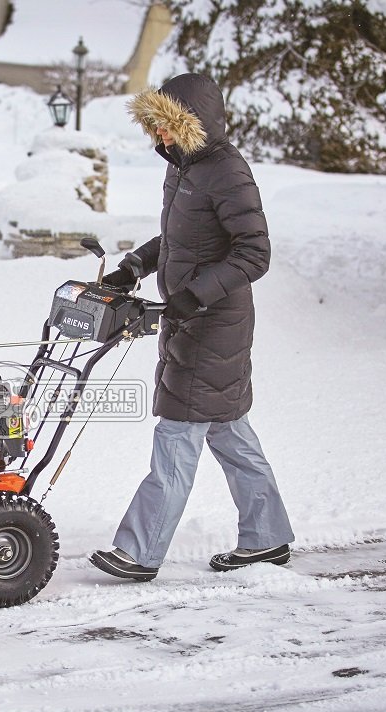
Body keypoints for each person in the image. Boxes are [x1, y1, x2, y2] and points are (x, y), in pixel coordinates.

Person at [90, 72, 295, 582]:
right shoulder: (184, 167)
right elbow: (180, 235)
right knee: (228, 430)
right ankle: (267, 538)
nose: (158, 137)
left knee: (177, 433)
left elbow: (255, 253)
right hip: (190, 319)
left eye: (165, 127)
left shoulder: (226, 170)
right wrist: (134, 265)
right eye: (154, 127)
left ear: (192, 123)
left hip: (215, 323)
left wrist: (193, 295)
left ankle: (139, 553)